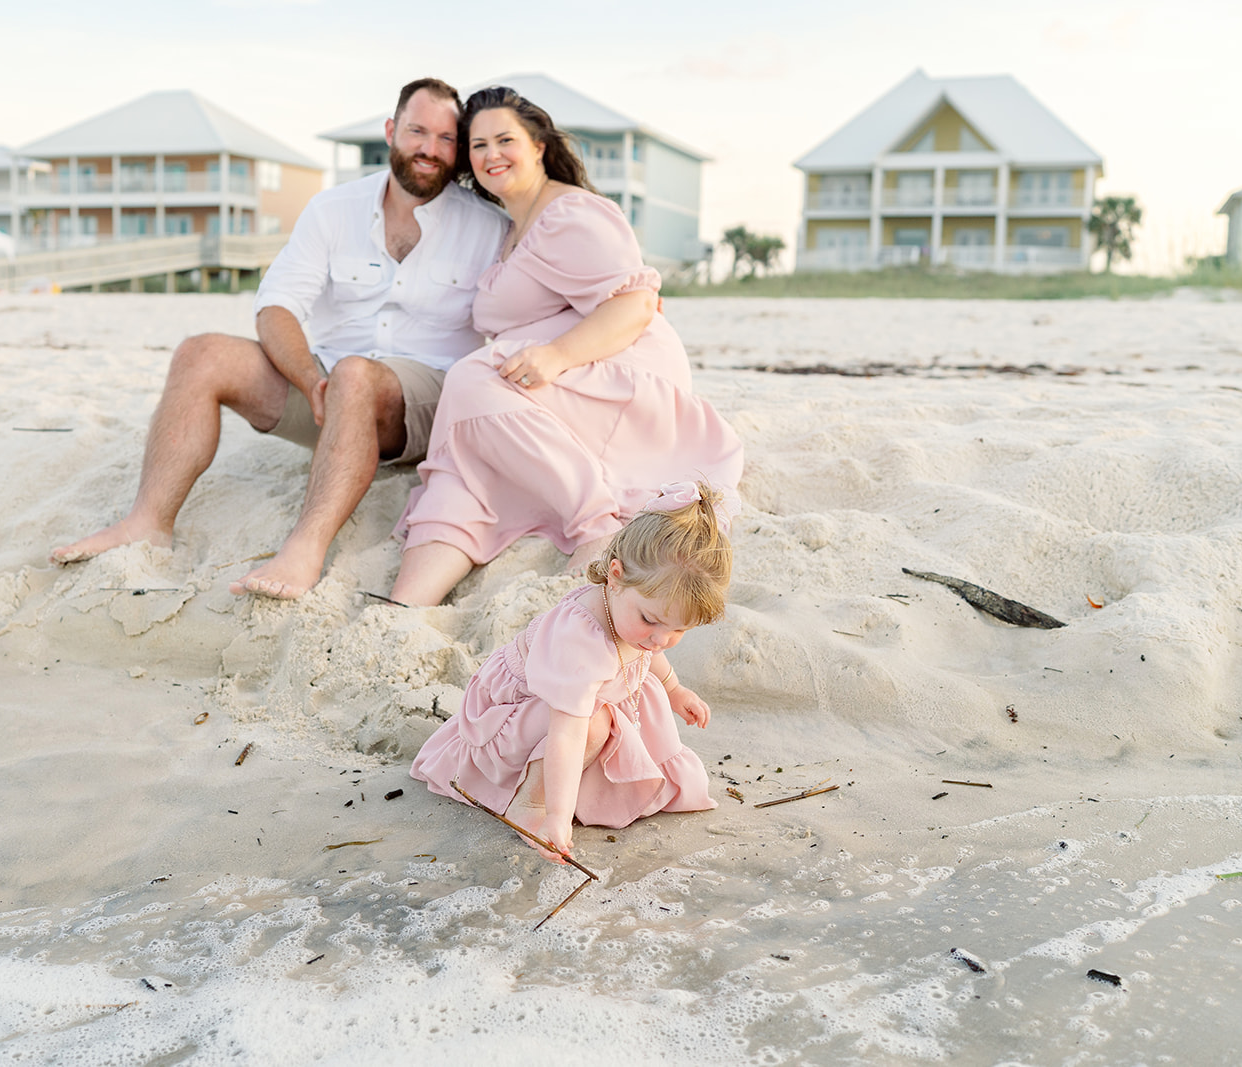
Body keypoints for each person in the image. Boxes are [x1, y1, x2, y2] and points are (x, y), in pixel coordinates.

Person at [51, 78, 507, 599]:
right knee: (201, 353)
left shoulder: (489, 226)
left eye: (446, 138)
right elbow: (275, 307)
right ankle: (147, 523)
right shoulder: (333, 209)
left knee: (355, 375)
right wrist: (310, 379)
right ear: (390, 131)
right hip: (328, 393)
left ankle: (303, 551)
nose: (429, 148)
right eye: (417, 131)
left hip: (423, 407)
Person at [390, 86, 745, 607]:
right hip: (555, 378)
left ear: (537, 145)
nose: (491, 155)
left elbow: (637, 305)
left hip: (617, 370)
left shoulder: (574, 212)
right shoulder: (509, 227)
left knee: (469, 381)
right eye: (478, 145)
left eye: (505, 140)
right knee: (466, 456)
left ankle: (594, 522)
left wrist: (554, 357)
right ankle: (406, 608)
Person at [411, 482, 734, 863]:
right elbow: (566, 736)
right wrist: (557, 818)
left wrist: (674, 690)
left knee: (610, 712)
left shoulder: (635, 615)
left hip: (588, 699)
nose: (662, 638)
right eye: (652, 620)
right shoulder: (580, 639)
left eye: (678, 629)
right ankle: (530, 801)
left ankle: (583, 785)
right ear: (615, 575)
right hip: (524, 709)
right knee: (593, 726)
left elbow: (649, 653)